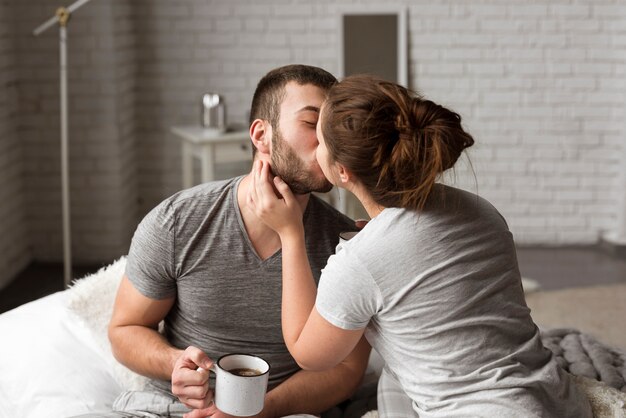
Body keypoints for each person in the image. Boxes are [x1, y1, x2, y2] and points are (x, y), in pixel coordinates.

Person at [248, 74, 593, 418]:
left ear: (342, 172)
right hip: (557, 401)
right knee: (392, 379)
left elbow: (309, 354)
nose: (315, 147)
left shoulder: (359, 262)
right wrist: (382, 246)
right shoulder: (482, 210)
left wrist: (290, 235)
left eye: (320, 140)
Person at [77, 65, 371, 418]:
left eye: (333, 130)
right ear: (262, 135)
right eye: (311, 125)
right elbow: (124, 329)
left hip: (285, 412)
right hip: (173, 408)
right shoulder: (178, 221)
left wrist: (257, 410)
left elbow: (346, 370)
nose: (329, 144)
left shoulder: (345, 243)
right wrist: (175, 363)